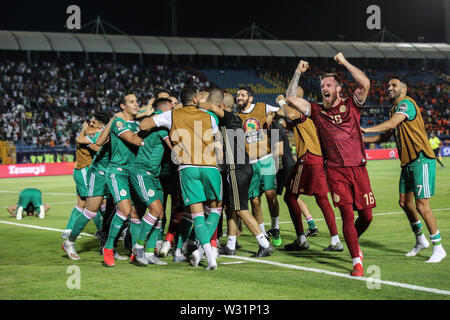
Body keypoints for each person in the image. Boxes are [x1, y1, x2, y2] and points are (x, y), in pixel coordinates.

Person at [286, 54, 374, 277]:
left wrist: (344, 63)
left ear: (338, 90)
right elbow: (290, 97)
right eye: (322, 85)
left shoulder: (352, 105)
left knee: (366, 217)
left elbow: (365, 83)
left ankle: (353, 241)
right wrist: (298, 72)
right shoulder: (316, 111)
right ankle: (356, 261)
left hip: (358, 168)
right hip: (334, 170)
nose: (323, 87)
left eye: (328, 84)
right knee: (345, 214)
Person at [362, 75, 446, 263]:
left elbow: (391, 124)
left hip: (421, 159)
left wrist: (366, 129)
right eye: (388, 85)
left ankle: (438, 247)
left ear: (404, 89)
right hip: (408, 162)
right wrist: (361, 140)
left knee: (422, 206)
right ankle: (420, 240)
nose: (389, 87)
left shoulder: (406, 104)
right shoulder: (394, 109)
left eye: (394, 85)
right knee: (404, 202)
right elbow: (385, 137)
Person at [140, 84, 223, 270]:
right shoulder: (210, 116)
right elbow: (218, 140)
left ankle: (208, 257)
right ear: (195, 99)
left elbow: (144, 124)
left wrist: (161, 126)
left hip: (187, 168)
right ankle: (201, 252)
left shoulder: (171, 115)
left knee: (197, 212)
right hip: (210, 166)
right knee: (216, 209)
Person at [200, 90, 274, 258]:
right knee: (232, 207)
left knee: (240, 209)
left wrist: (194, 104)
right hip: (243, 166)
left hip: (236, 168)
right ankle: (231, 245)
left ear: (222, 106)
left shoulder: (226, 116)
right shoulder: (235, 118)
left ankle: (264, 243)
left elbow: (211, 106)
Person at [276, 93, 342, 252]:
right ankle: (335, 240)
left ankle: (301, 239)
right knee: (322, 198)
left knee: (290, 196)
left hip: (307, 158)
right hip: (319, 159)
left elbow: (291, 114)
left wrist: (281, 102)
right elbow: (293, 121)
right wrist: (284, 121)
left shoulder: (302, 113)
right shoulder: (317, 116)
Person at [236, 87, 285, 247]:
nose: (239, 97)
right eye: (237, 95)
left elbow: (282, 114)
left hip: (266, 159)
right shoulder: (236, 116)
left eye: (242, 95)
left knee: (271, 195)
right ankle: (263, 233)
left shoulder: (263, 107)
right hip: (249, 164)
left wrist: (278, 111)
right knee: (255, 200)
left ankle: (275, 227)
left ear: (250, 98)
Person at [62, 113, 108, 239]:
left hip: (83, 171)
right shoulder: (89, 133)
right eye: (90, 122)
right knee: (94, 202)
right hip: (84, 170)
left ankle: (68, 230)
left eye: (93, 122)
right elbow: (85, 142)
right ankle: (102, 230)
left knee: (81, 203)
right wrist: (92, 129)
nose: (90, 124)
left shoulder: (92, 132)